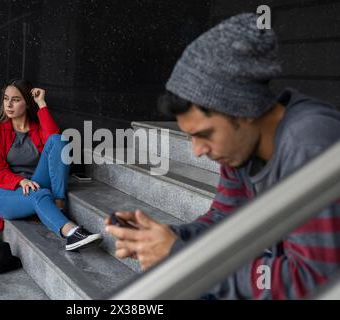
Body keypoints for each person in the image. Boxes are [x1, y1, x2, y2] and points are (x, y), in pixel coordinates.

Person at [105, 13, 340, 299]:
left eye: (204, 134)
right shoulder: (240, 149)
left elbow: (313, 282)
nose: (197, 150)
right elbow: (224, 219)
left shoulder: (311, 141)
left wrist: (181, 258)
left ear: (244, 112)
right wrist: (162, 239)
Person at [0, 79, 102, 251]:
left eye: (16, 99)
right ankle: (70, 232)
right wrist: (20, 181)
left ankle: (58, 202)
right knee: (39, 193)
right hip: (5, 193)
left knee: (59, 139)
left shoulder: (37, 129)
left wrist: (41, 104)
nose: (9, 104)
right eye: (6, 99)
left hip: (36, 183)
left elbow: (56, 143)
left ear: (27, 104)